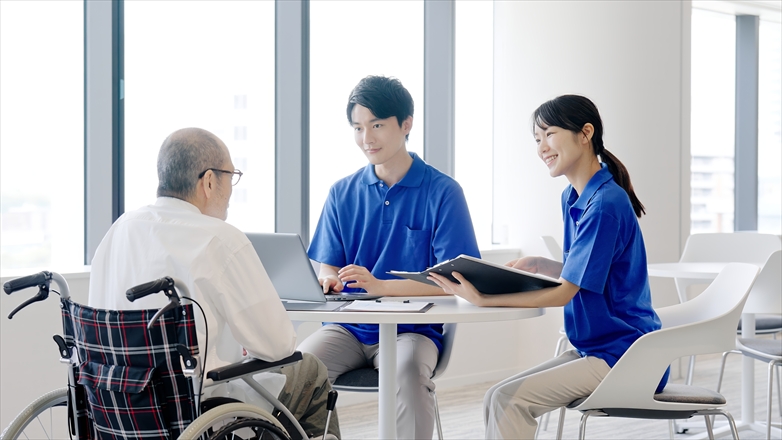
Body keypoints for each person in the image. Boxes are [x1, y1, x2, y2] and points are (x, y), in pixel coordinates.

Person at [428, 95, 669, 439]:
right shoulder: (573, 197)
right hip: (599, 349)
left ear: (585, 133)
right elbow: (590, 273)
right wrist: (542, 264)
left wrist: (482, 298)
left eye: (549, 134)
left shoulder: (604, 204)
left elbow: (565, 293)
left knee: (509, 401)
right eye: (537, 139)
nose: (542, 147)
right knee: (497, 397)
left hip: (626, 357)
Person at [88, 127, 340, 438]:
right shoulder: (219, 238)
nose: (231, 190)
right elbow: (278, 346)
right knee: (309, 368)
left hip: (119, 403)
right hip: (198, 410)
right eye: (231, 176)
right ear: (209, 181)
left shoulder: (119, 230)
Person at [298, 75, 480, 439]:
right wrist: (328, 279)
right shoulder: (341, 193)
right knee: (297, 371)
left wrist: (381, 286)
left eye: (377, 125)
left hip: (412, 331)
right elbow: (329, 265)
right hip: (348, 328)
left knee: (408, 374)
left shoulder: (443, 193)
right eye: (358, 127)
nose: (367, 138)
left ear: (406, 124)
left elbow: (459, 284)